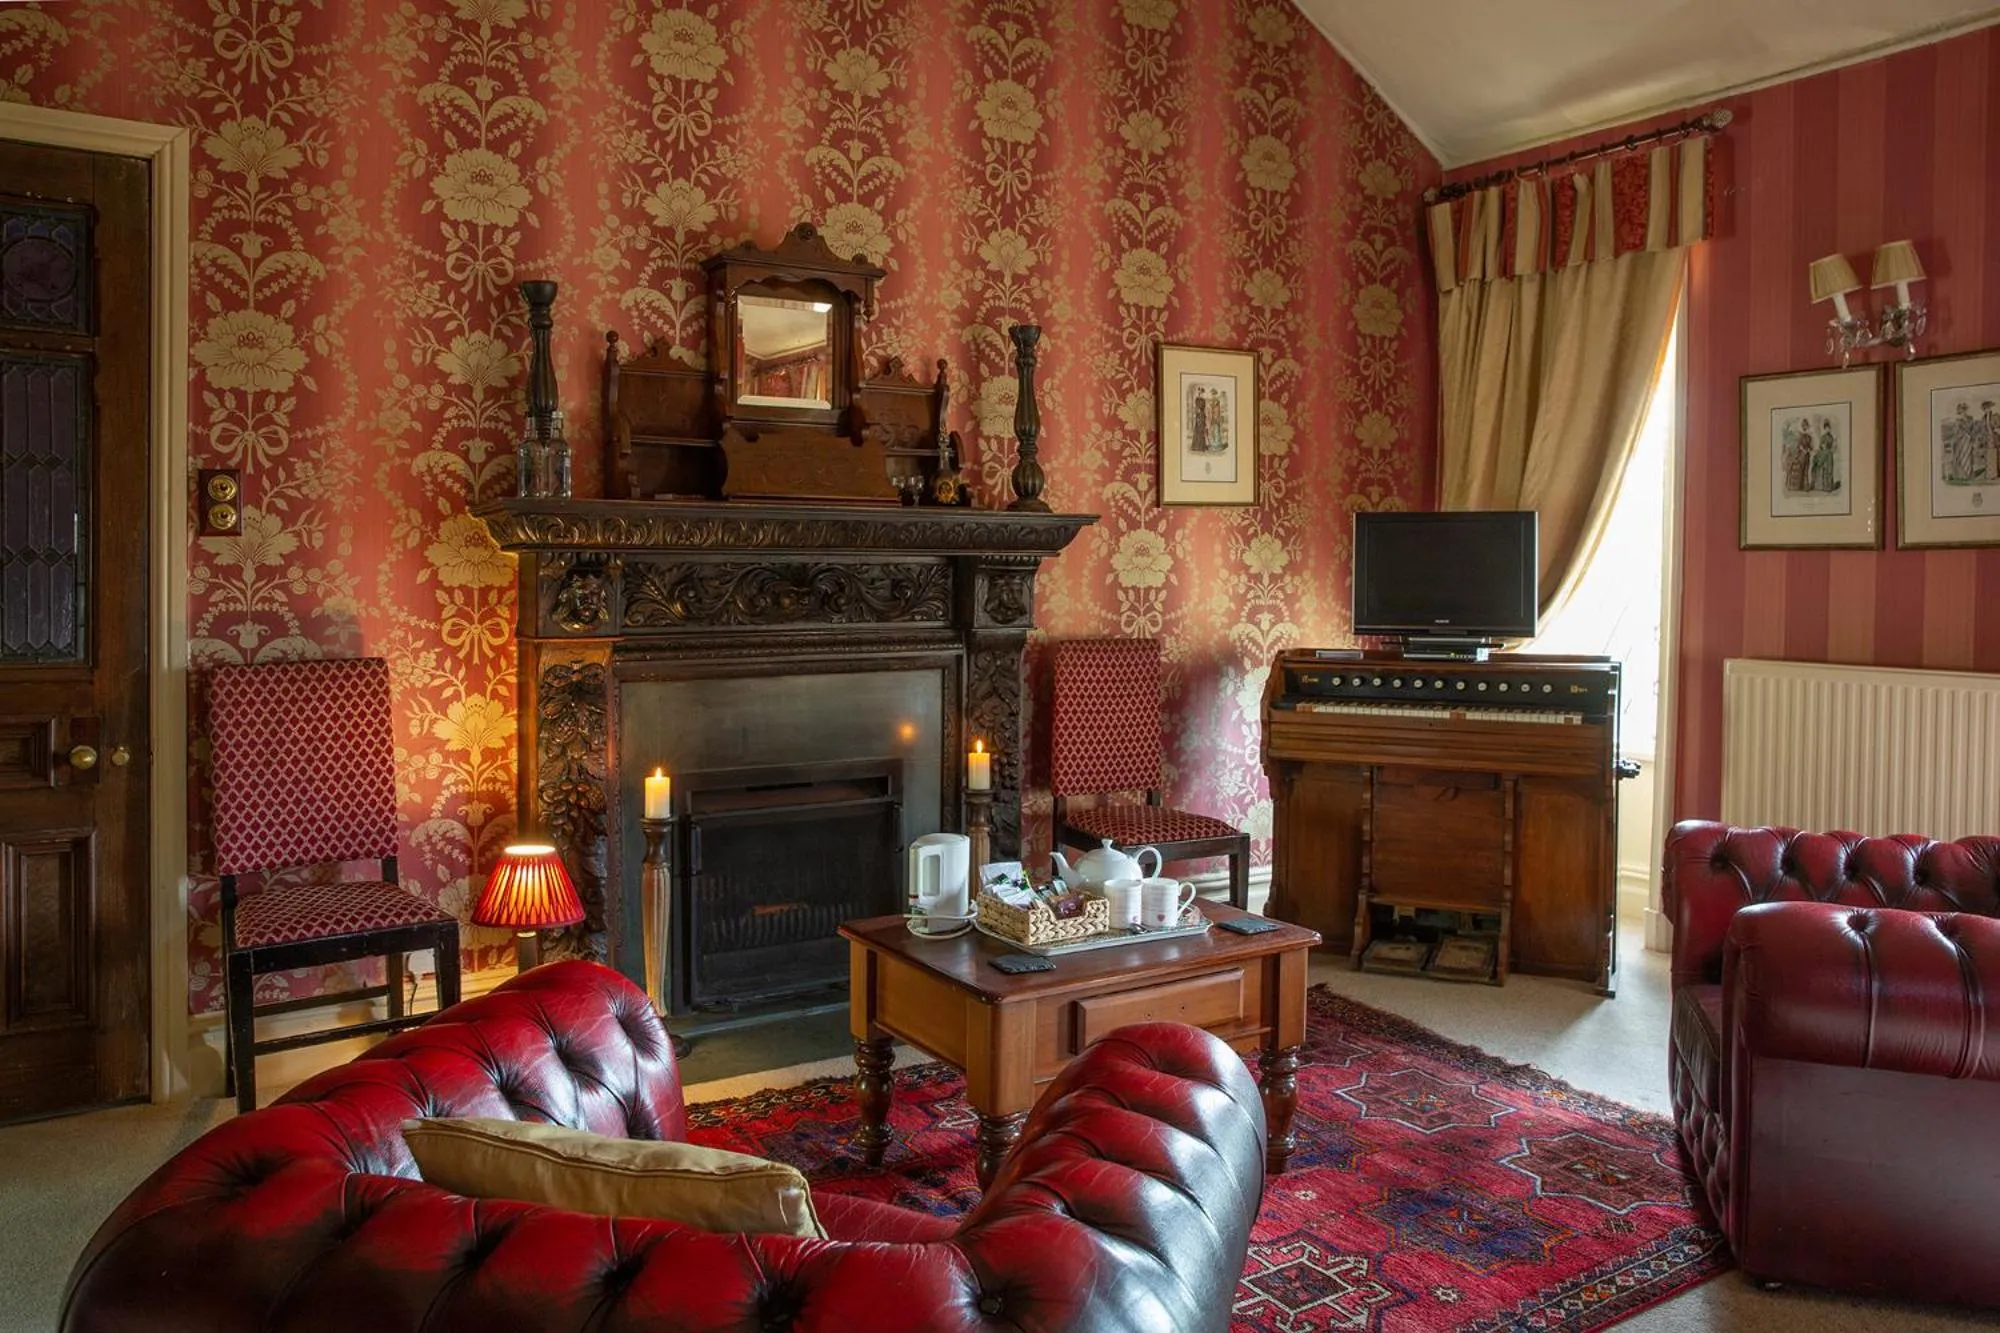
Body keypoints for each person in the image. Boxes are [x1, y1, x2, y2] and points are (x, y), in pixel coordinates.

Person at [1811, 418, 1840, 493]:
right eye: (1826, 428)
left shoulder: (1831, 437)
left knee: (1830, 470)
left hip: (1829, 455)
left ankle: (1829, 487)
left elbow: (1834, 447)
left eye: (1828, 428)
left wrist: (1834, 445)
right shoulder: (1823, 437)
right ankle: (1824, 487)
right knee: (1825, 470)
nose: (1827, 429)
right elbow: (1820, 446)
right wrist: (1823, 447)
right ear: (1824, 428)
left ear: (1830, 428)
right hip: (1824, 455)